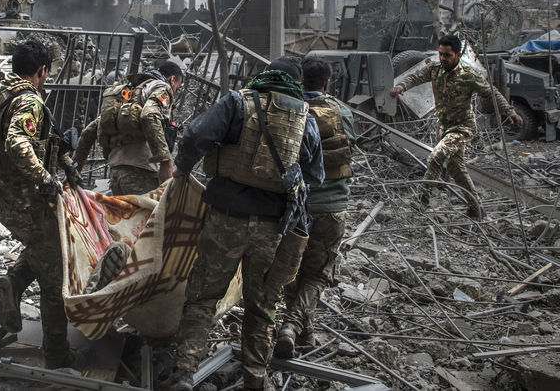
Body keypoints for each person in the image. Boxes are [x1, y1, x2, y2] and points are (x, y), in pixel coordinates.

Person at [166, 57, 323, 391]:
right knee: (262, 307)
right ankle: (255, 378)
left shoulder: (238, 102)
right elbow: (315, 175)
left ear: (265, 75)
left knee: (203, 297)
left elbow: (194, 136)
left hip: (225, 218)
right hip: (272, 227)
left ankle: (184, 372)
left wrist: (182, 167)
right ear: (295, 84)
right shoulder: (305, 116)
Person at [0, 39, 78, 369]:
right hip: (29, 204)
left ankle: (12, 284)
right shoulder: (29, 100)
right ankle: (57, 355)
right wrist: (47, 180)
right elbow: (17, 143)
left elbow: (42, 140)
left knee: (41, 248)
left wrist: (67, 164)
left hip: (4, 199)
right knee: (55, 279)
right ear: (41, 70)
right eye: (47, 73)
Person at [389, 35, 523, 219]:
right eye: (441, 54)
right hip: (444, 127)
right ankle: (476, 208)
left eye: (447, 55)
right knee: (456, 169)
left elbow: (491, 93)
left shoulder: (469, 75)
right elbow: (415, 77)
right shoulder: (435, 69)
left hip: (462, 128)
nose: (443, 58)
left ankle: (422, 200)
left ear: (458, 55)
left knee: (436, 157)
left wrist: (509, 111)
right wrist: (401, 86)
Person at [274, 56, 356, 359]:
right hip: (332, 206)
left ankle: (302, 333)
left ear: (299, 81)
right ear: (327, 83)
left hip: (294, 207)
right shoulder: (342, 112)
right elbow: (350, 148)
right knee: (319, 274)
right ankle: (293, 326)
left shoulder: (289, 110)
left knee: (292, 269)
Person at [74, 58, 183, 195]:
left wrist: (74, 172)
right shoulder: (162, 88)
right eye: (177, 86)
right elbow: (149, 115)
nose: (175, 90)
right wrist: (165, 161)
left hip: (116, 173)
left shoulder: (129, 94)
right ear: (172, 79)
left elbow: (89, 131)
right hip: (143, 173)